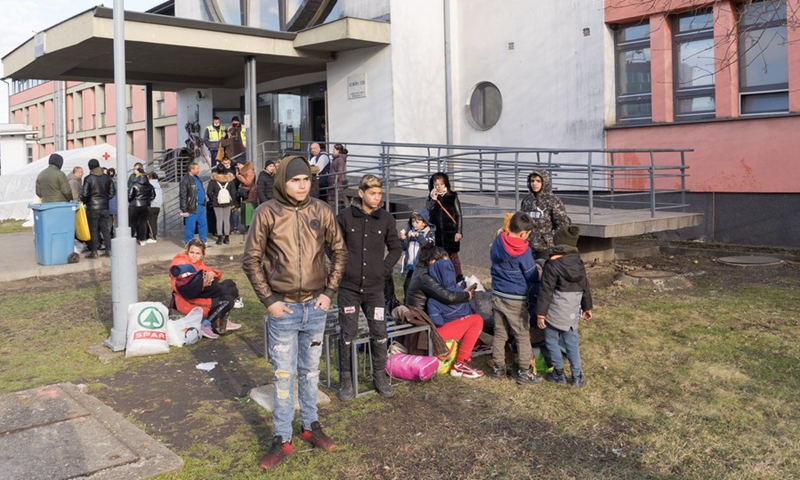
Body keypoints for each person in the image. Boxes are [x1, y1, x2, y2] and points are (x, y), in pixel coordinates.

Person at [242, 155, 346, 470]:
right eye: (295, 180)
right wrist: (269, 300)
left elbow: (339, 251)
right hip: (283, 310)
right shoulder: (266, 213)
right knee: (284, 375)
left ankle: (311, 426)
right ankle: (282, 437)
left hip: (315, 308)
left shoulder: (322, 210)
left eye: (306, 180)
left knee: (311, 372)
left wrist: (329, 292)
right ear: (282, 181)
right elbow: (251, 259)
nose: (301, 186)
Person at [335, 174, 403, 401]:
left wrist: (383, 269)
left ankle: (379, 376)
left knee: (380, 332)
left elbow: (395, 248)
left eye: (380, 194)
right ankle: (346, 379)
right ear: (361, 193)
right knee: (348, 333)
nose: (377, 198)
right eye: (372, 193)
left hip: (375, 290)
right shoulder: (344, 217)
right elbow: (332, 246)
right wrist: (342, 268)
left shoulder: (385, 218)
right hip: (348, 288)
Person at [404, 245, 484, 378]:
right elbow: (448, 296)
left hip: (423, 325)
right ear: (433, 262)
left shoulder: (420, 272)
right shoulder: (425, 278)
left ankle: (474, 345)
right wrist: (466, 296)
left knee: (467, 316)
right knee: (476, 320)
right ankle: (460, 364)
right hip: (427, 331)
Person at [489, 211, 543, 385]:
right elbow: (530, 274)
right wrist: (538, 273)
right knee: (522, 334)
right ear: (522, 234)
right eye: (527, 234)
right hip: (515, 299)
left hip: (497, 294)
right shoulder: (523, 251)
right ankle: (525, 372)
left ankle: (498, 368)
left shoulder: (498, 241)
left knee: (500, 333)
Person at [536, 225, 593, 387]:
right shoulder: (579, 263)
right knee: (572, 343)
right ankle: (577, 376)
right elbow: (585, 287)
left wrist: (540, 314)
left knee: (552, 341)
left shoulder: (552, 265)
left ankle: (559, 373)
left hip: (554, 313)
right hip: (572, 314)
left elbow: (545, 291)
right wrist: (587, 307)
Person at [169, 239, 243, 339]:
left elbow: (210, 271)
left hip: (200, 293)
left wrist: (212, 273)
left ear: (202, 255)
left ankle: (221, 319)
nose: (194, 256)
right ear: (187, 251)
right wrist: (201, 281)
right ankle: (205, 325)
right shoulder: (181, 261)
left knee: (230, 287)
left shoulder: (199, 263)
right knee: (227, 300)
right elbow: (181, 282)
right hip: (187, 300)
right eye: (192, 252)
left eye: (197, 253)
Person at [520, 169, 570, 259]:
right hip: (528, 247)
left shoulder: (553, 200)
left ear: (544, 182)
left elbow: (562, 223)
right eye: (532, 181)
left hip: (546, 248)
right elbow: (521, 221)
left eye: (538, 181)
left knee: (543, 270)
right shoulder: (527, 201)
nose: (534, 183)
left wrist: (549, 238)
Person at [425, 172, 464, 281]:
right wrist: (433, 199)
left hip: (450, 233)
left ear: (445, 184)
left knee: (453, 257)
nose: (439, 187)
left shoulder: (452, 196)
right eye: (436, 184)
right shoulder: (431, 198)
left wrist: (459, 231)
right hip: (437, 233)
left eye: (441, 184)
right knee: (437, 257)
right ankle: (440, 278)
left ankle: (458, 278)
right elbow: (427, 212)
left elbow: (458, 215)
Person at [80, 158, 115, 259]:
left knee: (93, 229)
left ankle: (94, 252)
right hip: (105, 207)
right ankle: (108, 250)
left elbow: (85, 194)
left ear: (89, 167)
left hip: (93, 207)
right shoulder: (107, 178)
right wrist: (104, 199)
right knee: (105, 229)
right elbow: (112, 193)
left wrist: (85, 201)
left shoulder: (88, 178)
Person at [399, 208, 436, 297]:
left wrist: (419, 236)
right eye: (413, 221)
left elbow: (429, 245)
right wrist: (403, 239)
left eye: (417, 222)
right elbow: (403, 248)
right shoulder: (410, 232)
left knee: (419, 288)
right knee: (407, 287)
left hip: (422, 267)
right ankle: (407, 305)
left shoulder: (429, 233)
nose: (414, 224)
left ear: (424, 223)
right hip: (411, 266)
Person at [206, 163, 237, 244]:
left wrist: (213, 199)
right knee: (226, 219)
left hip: (217, 203)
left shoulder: (213, 180)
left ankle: (219, 238)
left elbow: (209, 192)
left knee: (219, 220)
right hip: (227, 202)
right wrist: (232, 202)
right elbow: (233, 192)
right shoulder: (230, 180)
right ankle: (227, 238)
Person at [180, 162, 209, 246]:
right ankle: (188, 242)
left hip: (200, 206)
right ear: (191, 169)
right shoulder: (185, 180)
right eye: (197, 168)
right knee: (190, 226)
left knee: (203, 223)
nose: (199, 170)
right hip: (191, 207)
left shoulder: (196, 178)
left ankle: (203, 240)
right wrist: (184, 209)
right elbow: (183, 195)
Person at [128, 166, 155, 246]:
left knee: (132, 223)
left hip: (134, 205)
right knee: (143, 223)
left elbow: (129, 196)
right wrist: (147, 200)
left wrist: (132, 201)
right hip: (146, 206)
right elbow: (153, 196)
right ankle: (142, 239)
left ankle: (131, 238)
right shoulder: (150, 186)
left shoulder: (134, 184)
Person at [146, 172, 162, 243]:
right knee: (154, 222)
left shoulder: (150, 185)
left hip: (152, 205)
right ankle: (153, 236)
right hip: (158, 206)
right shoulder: (158, 185)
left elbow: (150, 196)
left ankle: (152, 237)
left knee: (150, 222)